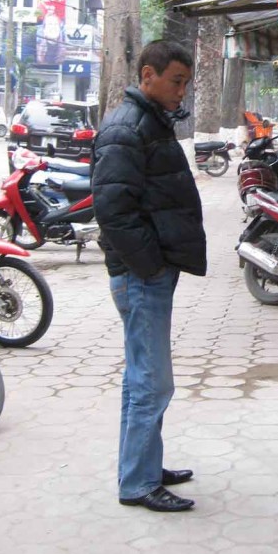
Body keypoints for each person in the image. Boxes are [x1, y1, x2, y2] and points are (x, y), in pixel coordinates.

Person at [91, 40, 207, 513]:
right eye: (176, 81)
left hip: (149, 272)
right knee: (153, 383)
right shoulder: (125, 127)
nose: (182, 91)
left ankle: (142, 464)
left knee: (141, 377)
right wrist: (151, 265)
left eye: (185, 82)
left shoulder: (147, 121)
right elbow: (113, 211)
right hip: (141, 276)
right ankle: (138, 483)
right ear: (147, 77)